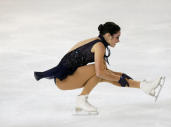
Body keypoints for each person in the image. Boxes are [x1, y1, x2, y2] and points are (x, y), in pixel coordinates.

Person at [34, 22, 162, 115]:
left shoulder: (97, 41)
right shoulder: (99, 46)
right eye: (117, 37)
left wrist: (121, 75)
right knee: (99, 72)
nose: (118, 40)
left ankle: (143, 86)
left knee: (101, 73)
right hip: (63, 80)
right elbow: (100, 72)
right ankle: (81, 99)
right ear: (108, 35)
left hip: (69, 76)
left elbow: (105, 72)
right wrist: (119, 78)